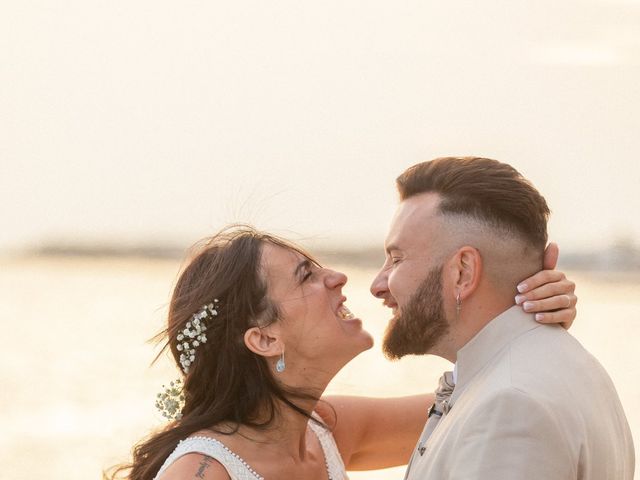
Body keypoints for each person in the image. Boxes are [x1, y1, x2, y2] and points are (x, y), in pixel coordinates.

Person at [107, 224, 578, 480]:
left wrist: (526, 310)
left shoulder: (326, 431)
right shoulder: (203, 475)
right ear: (265, 339)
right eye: (306, 276)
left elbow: (483, 400)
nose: (337, 277)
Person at [370, 157, 634, 479]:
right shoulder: (569, 367)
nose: (377, 285)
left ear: (463, 272)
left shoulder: (510, 404)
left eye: (397, 260)